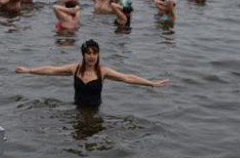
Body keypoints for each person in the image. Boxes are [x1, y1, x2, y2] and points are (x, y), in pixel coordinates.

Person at [15, 39, 168, 107]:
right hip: (77, 108)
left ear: (98, 54)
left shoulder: (103, 71)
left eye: (94, 53)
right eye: (88, 53)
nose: (91, 56)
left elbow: (127, 78)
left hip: (95, 110)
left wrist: (151, 83)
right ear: (83, 55)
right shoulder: (75, 69)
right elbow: (51, 69)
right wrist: (29, 70)